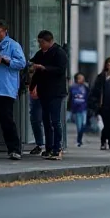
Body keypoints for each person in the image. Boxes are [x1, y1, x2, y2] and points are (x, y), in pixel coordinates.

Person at [0, 20, 26, 160]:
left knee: (6, 120)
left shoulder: (13, 45)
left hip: (5, 88)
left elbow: (21, 63)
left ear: (5, 31)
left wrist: (4, 60)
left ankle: (14, 149)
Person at [29, 30, 69, 160]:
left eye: (42, 42)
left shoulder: (59, 53)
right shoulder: (40, 54)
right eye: (39, 42)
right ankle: (49, 147)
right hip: (43, 91)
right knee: (46, 120)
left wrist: (45, 68)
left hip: (56, 92)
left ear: (50, 41)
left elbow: (61, 70)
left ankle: (57, 148)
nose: (40, 45)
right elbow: (35, 70)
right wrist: (32, 86)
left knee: (55, 120)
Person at [89, 57, 110, 150]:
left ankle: (108, 142)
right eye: (109, 64)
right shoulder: (101, 77)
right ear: (106, 65)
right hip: (102, 104)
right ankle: (105, 142)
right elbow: (95, 91)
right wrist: (94, 103)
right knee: (106, 124)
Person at [70, 73, 89, 147]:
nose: (81, 79)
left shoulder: (85, 87)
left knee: (83, 125)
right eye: (80, 78)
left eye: (82, 78)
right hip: (77, 109)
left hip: (84, 108)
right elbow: (71, 98)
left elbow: (88, 96)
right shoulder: (73, 87)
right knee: (79, 126)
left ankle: (80, 139)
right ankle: (79, 140)